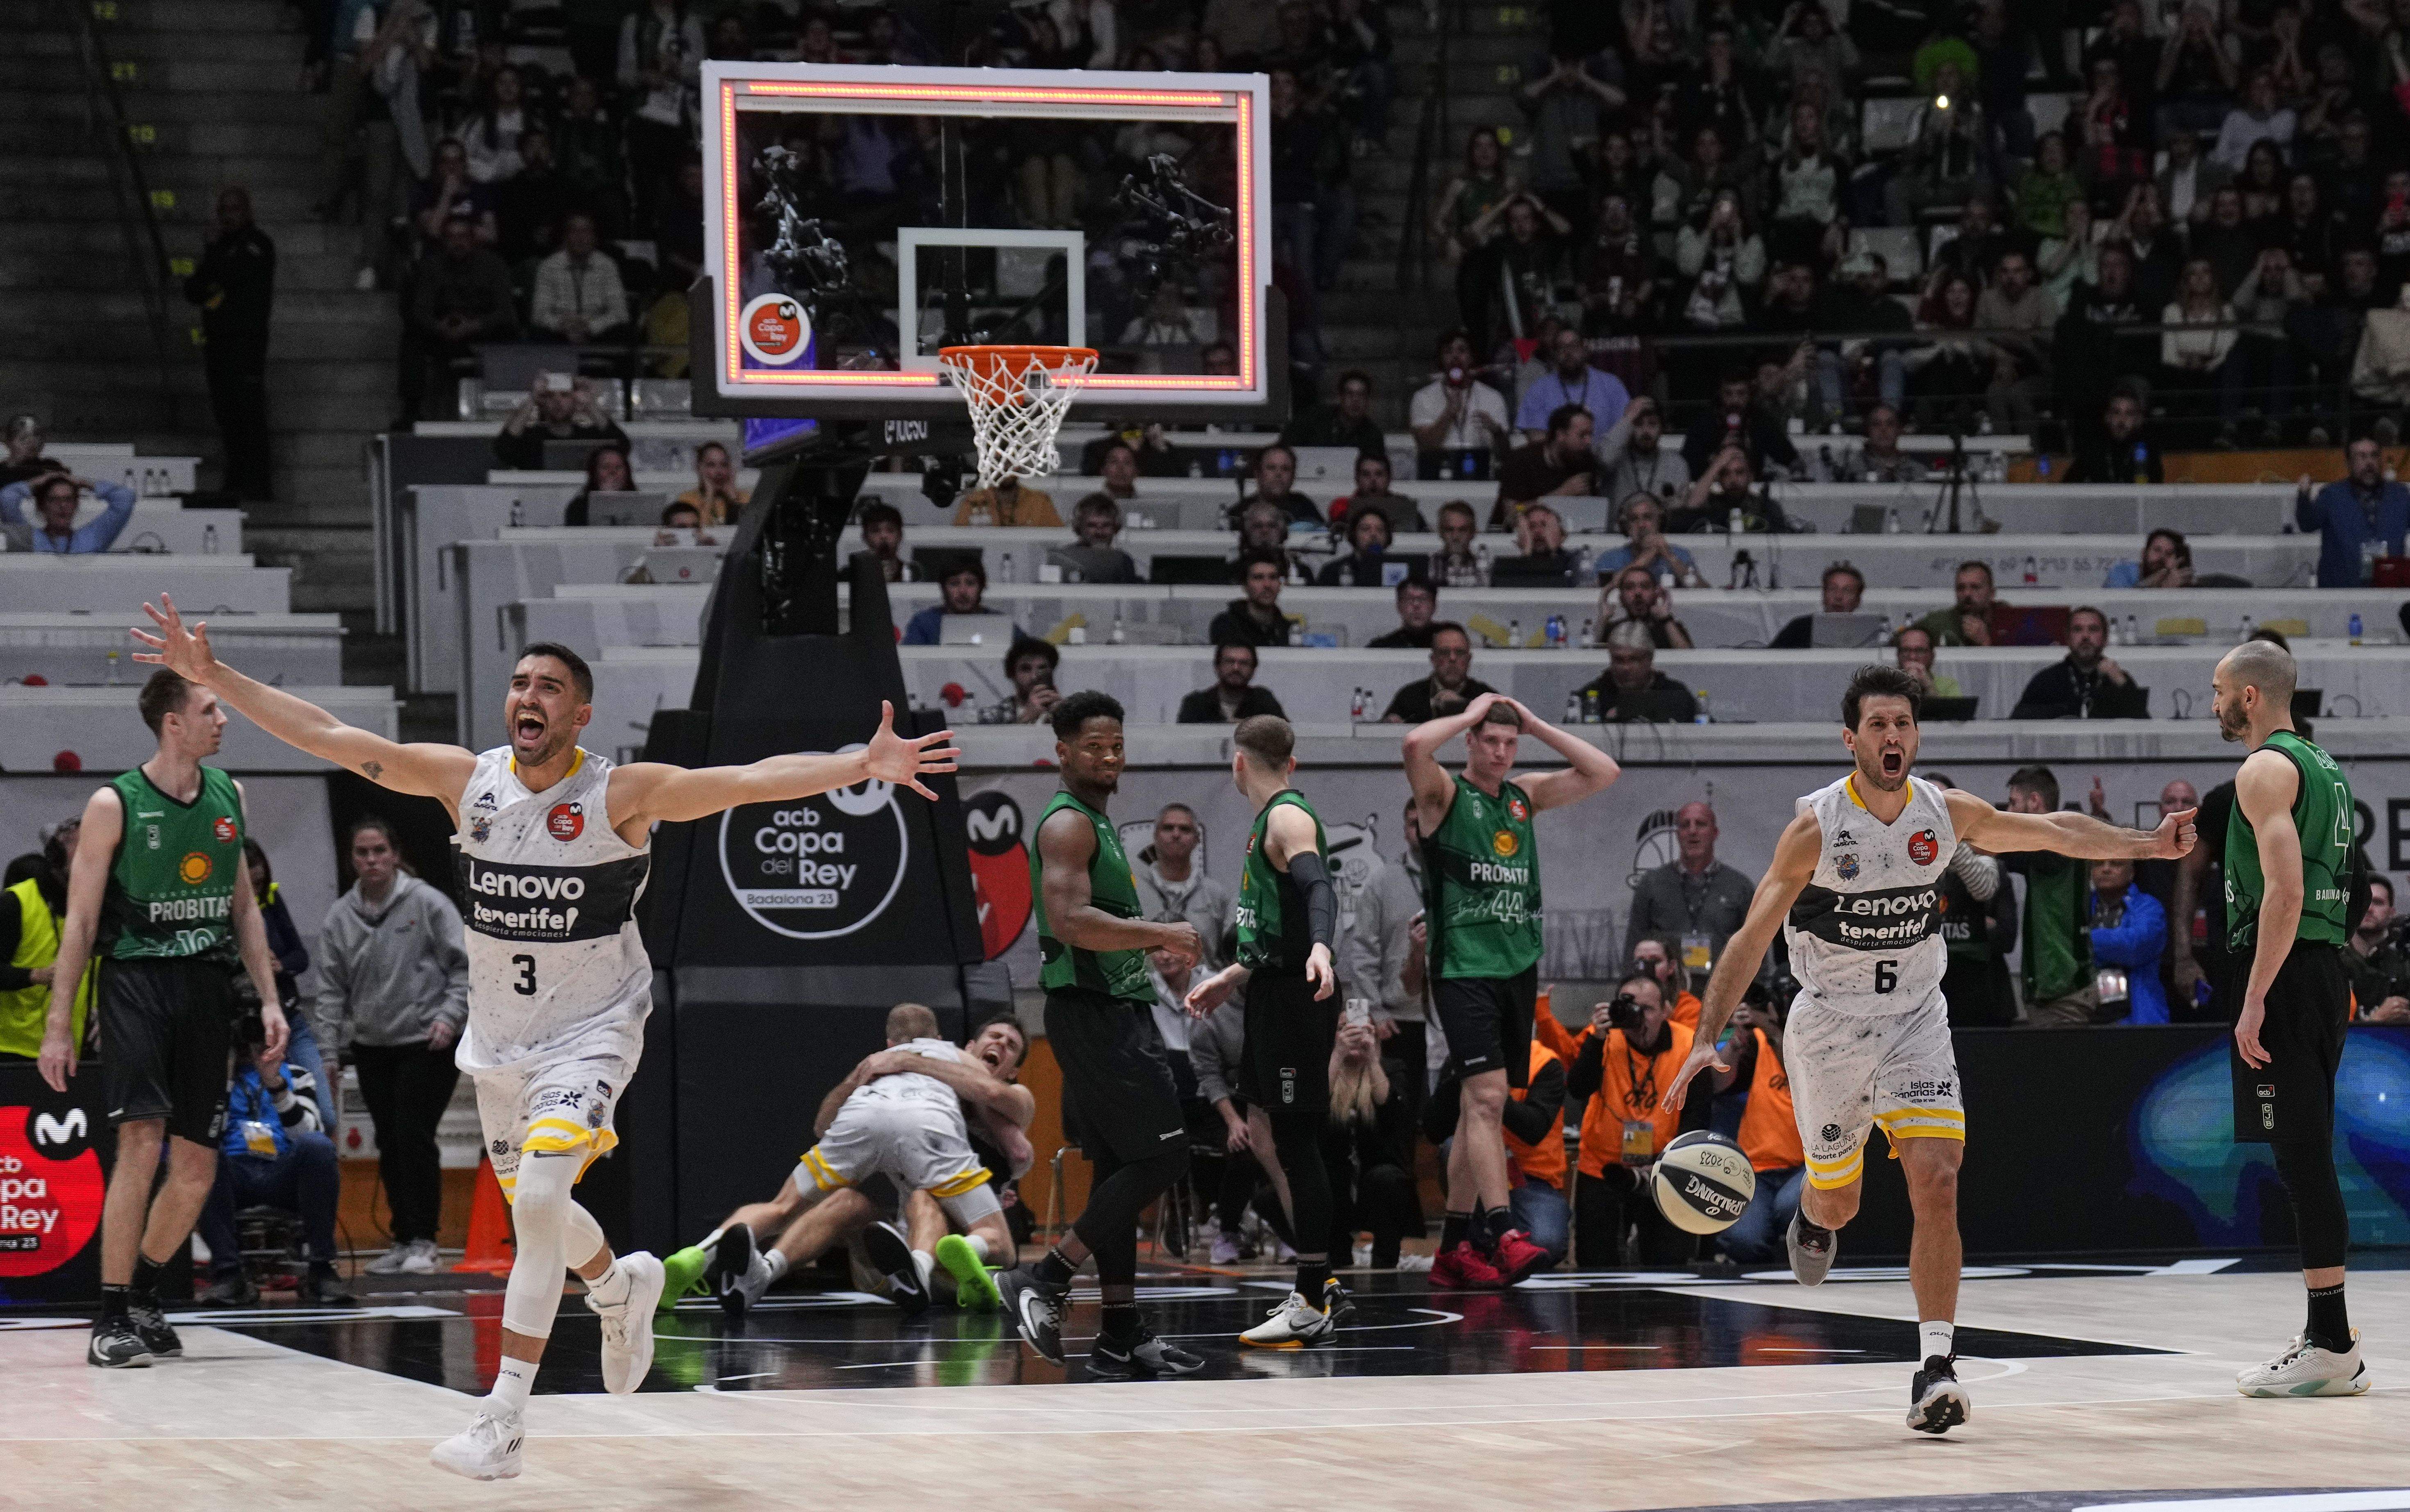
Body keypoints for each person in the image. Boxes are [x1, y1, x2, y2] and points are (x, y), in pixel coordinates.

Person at [120, 607, 958, 1471]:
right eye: (521, 683)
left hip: (591, 1035)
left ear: (579, 715)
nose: (529, 696)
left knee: (539, 1203)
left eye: (550, 688)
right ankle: (619, 1287)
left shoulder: (618, 796)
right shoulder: (467, 782)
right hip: (500, 1048)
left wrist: (861, 764)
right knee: (545, 1209)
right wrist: (218, 679)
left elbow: (746, 781)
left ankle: (503, 1422)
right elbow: (332, 737)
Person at [1661, 664, 2197, 1434]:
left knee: (1938, 1179)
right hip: (1830, 1030)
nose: (1892, 736)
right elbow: (1749, 937)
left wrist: (2147, 843)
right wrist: (1705, 1034)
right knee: (1839, 1200)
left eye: (1903, 724)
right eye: (1877, 725)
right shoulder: (1816, 828)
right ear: (1851, 740)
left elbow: (2053, 832)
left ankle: (1936, 1367)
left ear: (1915, 738)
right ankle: (1813, 1213)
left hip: (1915, 1018)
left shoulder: (1943, 814)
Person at [37, 668, 292, 1369]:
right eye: (210, 709)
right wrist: (59, 1024)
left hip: (207, 987)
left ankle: (146, 1292)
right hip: (136, 982)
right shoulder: (114, 803)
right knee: (141, 1144)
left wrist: (269, 998)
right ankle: (111, 1314)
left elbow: (244, 907)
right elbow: (80, 922)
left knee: (198, 1169)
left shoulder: (229, 794)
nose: (223, 719)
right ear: (173, 723)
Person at [994, 692, 1207, 1374]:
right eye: (1093, 746)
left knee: (1120, 1168)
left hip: (1115, 1009)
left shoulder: (1097, 822)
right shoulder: (1067, 825)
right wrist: (1160, 934)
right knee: (1166, 1156)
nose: (1109, 757)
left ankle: (1120, 1332)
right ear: (1062, 752)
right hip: (1094, 1013)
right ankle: (1045, 1277)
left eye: (1116, 745)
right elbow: (1069, 922)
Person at [1405, 694, 1618, 1285]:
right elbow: (1414, 744)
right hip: (1462, 967)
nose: (1500, 752)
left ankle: (1452, 1248)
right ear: (1470, 742)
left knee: (1478, 1106)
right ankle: (1503, 1231)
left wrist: (1535, 723)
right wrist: (1473, 710)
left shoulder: (1523, 796)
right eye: (1489, 741)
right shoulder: (1443, 796)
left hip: (1516, 966)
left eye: (1508, 743)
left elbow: (1604, 772)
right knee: (1486, 1100)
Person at [2216, 640, 2372, 1396]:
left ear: (2249, 695)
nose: (2215, 703)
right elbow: (2342, 881)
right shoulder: (2323, 767)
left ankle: (2331, 1343)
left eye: (2219, 689)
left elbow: (2284, 892)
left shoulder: (2263, 769)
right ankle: (2326, 1335)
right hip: (2320, 971)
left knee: (2301, 1157)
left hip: (2286, 970)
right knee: (2303, 1153)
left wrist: (2255, 996)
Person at [683, 1004, 1030, 1319]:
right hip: (901, 1262)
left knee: (924, 1197)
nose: (1000, 1045)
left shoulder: (1012, 1096)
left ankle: (937, 1264)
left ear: (1014, 1070)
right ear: (968, 1047)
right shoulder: (922, 1087)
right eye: (994, 1037)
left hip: (969, 1265)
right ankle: (764, 1273)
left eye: (1011, 1045)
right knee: (847, 1202)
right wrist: (870, 1074)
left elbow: (1013, 1136)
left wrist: (906, 1059)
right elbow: (822, 1126)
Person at [1182, 717, 1347, 1343]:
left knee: (1297, 1142)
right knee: (1273, 1137)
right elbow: (1278, 928)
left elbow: (1318, 888)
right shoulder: (1268, 822)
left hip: (1298, 997)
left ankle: (1312, 1296)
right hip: (1271, 991)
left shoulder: (1287, 818)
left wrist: (1323, 946)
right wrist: (1232, 975)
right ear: (1290, 762)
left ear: (1237, 763)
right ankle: (1322, 1284)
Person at [316, 816, 469, 1275]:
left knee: (412, 1134)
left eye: (380, 851)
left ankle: (425, 1240)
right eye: (362, 853)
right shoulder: (341, 916)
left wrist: (449, 1017)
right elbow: (330, 989)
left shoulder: (427, 903)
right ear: (352, 860)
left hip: (426, 1042)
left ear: (396, 855)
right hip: (371, 1045)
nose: (372, 861)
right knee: (387, 1139)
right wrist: (327, 1051)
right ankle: (403, 1239)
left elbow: (465, 966)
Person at [192, 1038, 349, 1307]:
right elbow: (205, 1134)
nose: (250, 1046)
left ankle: (322, 1269)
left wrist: (276, 1086)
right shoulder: (212, 1080)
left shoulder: (298, 1076)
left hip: (283, 1173)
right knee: (201, 1154)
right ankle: (228, 1274)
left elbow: (309, 1133)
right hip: (233, 1175)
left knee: (318, 1147)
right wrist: (223, 1082)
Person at [1566, 971, 1699, 1265]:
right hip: (1604, 1167)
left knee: (1669, 1265)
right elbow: (1577, 1089)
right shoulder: (1603, 1038)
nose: (1638, 1017)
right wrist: (1596, 1041)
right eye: (1631, 1007)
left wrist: (1671, 1163)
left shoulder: (1688, 1044)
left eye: (1648, 1009)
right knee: (1595, 1265)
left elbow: (1697, 1116)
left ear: (1667, 1011)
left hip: (1665, 1168)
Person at [183, 186, 276, 501]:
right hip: (218, 343)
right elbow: (194, 290)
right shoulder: (219, 248)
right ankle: (236, 477)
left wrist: (213, 260)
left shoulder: (258, 244)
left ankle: (258, 481)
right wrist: (213, 259)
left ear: (247, 211)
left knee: (248, 411)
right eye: (224, 210)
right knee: (226, 413)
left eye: (235, 209)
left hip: (246, 345)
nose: (228, 216)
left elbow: (230, 275)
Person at [1711, 990, 1805, 1265]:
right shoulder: (1755, 1043)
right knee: (1742, 1240)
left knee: (1787, 1207)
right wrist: (1736, 1040)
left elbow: (1800, 1077)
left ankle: (1805, 1257)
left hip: (1807, 1167)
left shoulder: (1811, 1043)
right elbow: (1718, 1084)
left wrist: (1773, 1031)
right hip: (1756, 1171)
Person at [2005, 765, 2097, 1025]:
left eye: (2014, 803)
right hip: (2055, 990)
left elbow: (1994, 846)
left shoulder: (2055, 843)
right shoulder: (2057, 841)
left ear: (2035, 801)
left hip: (2063, 992)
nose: (2008, 812)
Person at [0, 820, 93, 1060]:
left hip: (76, 1052)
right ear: (56, 857)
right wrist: (35, 976)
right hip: (14, 1052)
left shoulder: (102, 907)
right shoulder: (15, 903)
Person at [1627, 801, 1754, 971]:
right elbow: (1633, 950)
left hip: (1723, 986)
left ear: (1715, 833)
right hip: (1666, 986)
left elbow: (1755, 952)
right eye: (1685, 825)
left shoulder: (1740, 887)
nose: (1693, 831)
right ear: (1677, 834)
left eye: (1701, 824)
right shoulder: (1651, 884)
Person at [1132, 804, 1236, 974]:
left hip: (1205, 986)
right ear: (1155, 836)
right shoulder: (1135, 892)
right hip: (1147, 988)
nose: (1176, 834)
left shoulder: (1216, 895)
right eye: (1168, 828)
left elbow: (1230, 955)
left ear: (1197, 839)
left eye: (1185, 829)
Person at [2295, 440, 2410, 588]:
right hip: (2341, 591)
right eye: (2362, 457)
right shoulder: (2332, 495)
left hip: (2390, 589)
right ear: (2349, 464)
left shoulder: (2400, 495)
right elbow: (2307, 524)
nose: (2369, 463)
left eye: (2374, 456)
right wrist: (2304, 496)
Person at [2009, 607, 2150, 720]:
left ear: (2105, 638)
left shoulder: (2117, 679)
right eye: (2078, 630)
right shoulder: (2046, 680)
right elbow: (2018, 719)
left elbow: (2144, 725)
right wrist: (2068, 709)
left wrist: (2121, 682)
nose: (2086, 636)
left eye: (2093, 630)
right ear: (2068, 638)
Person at [1409, 331, 1512, 472]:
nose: (1455, 357)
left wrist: (1496, 431)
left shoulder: (1493, 397)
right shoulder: (1423, 397)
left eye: (1462, 351)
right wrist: (1449, 414)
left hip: (1481, 474)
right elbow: (1426, 446)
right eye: (1448, 352)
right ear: (1441, 359)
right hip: (1438, 475)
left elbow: (1506, 452)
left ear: (1471, 358)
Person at [529, 211, 632, 346]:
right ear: (566, 237)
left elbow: (621, 313)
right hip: (561, 332)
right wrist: (561, 325)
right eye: (575, 231)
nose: (581, 238)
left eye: (586, 231)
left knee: (623, 332)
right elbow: (539, 314)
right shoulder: (549, 266)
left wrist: (591, 327)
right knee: (538, 332)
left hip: (597, 331)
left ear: (595, 238)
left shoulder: (607, 265)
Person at [2087, 857, 2169, 1024]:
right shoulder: (2080, 905)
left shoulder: (2149, 906)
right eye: (2098, 864)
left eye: (2116, 864)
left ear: (2132, 873)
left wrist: (2085, 940)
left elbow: (2135, 946)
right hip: (2087, 1012)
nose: (2106, 869)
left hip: (2139, 1016)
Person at [492, 373, 628, 471]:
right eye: (550, 396)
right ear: (543, 402)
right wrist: (532, 399)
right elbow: (503, 449)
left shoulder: (589, 437)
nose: (558, 401)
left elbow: (622, 446)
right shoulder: (531, 439)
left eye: (565, 395)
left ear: (575, 400)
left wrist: (590, 405)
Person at [1516, 325, 1629, 438]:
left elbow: (1626, 427)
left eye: (1574, 346)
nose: (1568, 352)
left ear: (1585, 350)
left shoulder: (1611, 384)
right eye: (1562, 348)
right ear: (1555, 354)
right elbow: (1535, 435)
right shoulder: (1539, 389)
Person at [1493, 404, 1596, 524]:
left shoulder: (1585, 462)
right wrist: (1560, 495)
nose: (1588, 442)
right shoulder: (1521, 461)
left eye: (1590, 435)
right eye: (1582, 435)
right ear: (1560, 435)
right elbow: (1513, 511)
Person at [0, 472, 138, 554]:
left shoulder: (91, 539)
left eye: (68, 499)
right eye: (54, 500)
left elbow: (125, 498)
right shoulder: (27, 539)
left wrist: (83, 482)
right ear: (42, 506)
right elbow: (7, 497)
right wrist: (43, 480)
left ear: (76, 505)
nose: (62, 506)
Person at [1381, 622, 1493, 723]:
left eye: (1460, 652)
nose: (1453, 658)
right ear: (1433, 659)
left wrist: (1463, 706)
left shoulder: (1485, 696)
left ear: (1469, 659)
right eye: (1444, 652)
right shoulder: (1410, 696)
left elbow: (1501, 722)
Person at [1594, 398, 1694, 506]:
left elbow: (1679, 510)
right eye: (1639, 424)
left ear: (1661, 428)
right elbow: (1604, 459)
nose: (1646, 431)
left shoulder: (1676, 465)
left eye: (1652, 424)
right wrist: (1629, 418)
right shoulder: (1616, 460)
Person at [1590, 493, 1704, 586]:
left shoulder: (1680, 554)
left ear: (1659, 521)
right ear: (1626, 526)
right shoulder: (1610, 558)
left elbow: (1703, 590)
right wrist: (1645, 558)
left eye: (1648, 518)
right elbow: (1601, 591)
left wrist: (1669, 556)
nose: (1641, 525)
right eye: (1634, 519)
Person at [1576, 641, 1697, 723]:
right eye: (1619, 660)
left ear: (1650, 660)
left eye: (1634, 660)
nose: (1626, 668)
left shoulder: (1676, 694)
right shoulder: (1592, 695)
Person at [2063, 388, 2166, 484]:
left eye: (2129, 414)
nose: (2122, 420)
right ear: (2108, 417)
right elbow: (2068, 485)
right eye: (2116, 412)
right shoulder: (2093, 449)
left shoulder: (2148, 451)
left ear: (2138, 419)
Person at [2346, 876, 2410, 1024]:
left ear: (2392, 913)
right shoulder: (2334, 961)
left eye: (2378, 902)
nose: (2369, 909)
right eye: (2363, 901)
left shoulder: (2403, 963)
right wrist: (2377, 1021)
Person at [1282, 368, 1388, 457]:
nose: (1355, 400)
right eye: (1350, 394)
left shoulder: (1373, 436)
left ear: (1368, 400)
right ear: (1340, 397)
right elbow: (1284, 448)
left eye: (1361, 395)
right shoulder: (1313, 420)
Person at [1178, 643, 1286, 724]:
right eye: (1230, 662)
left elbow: (1285, 734)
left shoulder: (1264, 701)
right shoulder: (1196, 704)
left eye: (1244, 663)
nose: (1236, 668)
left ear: (1254, 669)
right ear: (1217, 667)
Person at [1209, 550, 1294, 649]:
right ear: (1245, 585)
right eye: (1258, 578)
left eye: (1273, 577)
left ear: (1280, 585)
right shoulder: (1226, 625)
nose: (1267, 585)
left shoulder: (1287, 628)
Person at [1770, 564, 1866, 649]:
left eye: (1847, 591)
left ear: (1858, 600)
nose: (1839, 597)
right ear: (1824, 595)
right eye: (1832, 589)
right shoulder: (1799, 629)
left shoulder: (1867, 631)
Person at [901, 560, 992, 646]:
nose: (963, 591)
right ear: (943, 588)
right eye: (954, 584)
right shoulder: (924, 623)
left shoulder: (996, 622)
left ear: (982, 587)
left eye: (970, 583)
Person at [1913, 561, 1999, 648]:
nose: (1967, 594)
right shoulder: (1939, 622)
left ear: (1992, 593)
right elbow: (1906, 637)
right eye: (1961, 588)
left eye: (1975, 587)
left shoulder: (2005, 620)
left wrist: (1985, 641)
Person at [1061, 495, 1141, 584]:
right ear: (1079, 528)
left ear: (1116, 528)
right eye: (1092, 526)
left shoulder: (1123, 561)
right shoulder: (1063, 559)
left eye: (1106, 525)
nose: (1099, 532)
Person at [1241, 444, 1324, 527]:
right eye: (1272, 468)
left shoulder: (1305, 507)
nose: (1279, 474)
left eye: (1286, 469)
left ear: (1293, 476)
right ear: (1258, 474)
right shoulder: (1242, 511)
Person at [1339, 454, 1423, 534]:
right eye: (1366, 475)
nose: (1373, 480)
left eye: (1379, 474)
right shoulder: (1343, 509)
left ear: (1389, 478)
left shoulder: (1406, 507)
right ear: (1357, 479)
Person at [672, 441, 749, 527]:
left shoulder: (745, 498)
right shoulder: (687, 500)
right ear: (700, 469)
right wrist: (709, 496)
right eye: (711, 465)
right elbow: (698, 531)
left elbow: (749, 529)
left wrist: (733, 498)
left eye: (724, 465)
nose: (719, 471)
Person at [1317, 509, 1400, 586]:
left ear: (1388, 537)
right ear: (1354, 535)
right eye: (1366, 529)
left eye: (1380, 530)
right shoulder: (1333, 572)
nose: (1374, 534)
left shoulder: (1399, 568)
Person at [996, 638, 1062, 726]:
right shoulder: (993, 716)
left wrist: (1067, 719)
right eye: (1026, 669)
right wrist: (1025, 719)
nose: (1034, 677)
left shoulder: (1067, 711)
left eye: (1042, 669)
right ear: (1012, 674)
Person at [952, 475, 1060, 528]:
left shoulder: (1039, 501)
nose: (1004, 468)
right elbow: (959, 544)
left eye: (1009, 462)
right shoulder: (973, 501)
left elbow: (1058, 543)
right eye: (998, 460)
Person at [2105, 528, 2194, 589]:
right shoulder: (2122, 572)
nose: (2162, 557)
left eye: (2169, 553)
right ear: (2144, 553)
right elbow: (2121, 602)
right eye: (2157, 550)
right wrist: (2163, 590)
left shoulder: (2176, 578)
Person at [1893, 625, 1963, 699]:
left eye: (1920, 651)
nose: (1913, 657)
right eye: (1906, 650)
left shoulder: (1948, 685)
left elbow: (1953, 708)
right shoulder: (1886, 683)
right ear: (1898, 655)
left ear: (1932, 656)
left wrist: (1929, 687)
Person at [1428, 499, 1486, 588]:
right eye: (1449, 530)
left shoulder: (1485, 566)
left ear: (1473, 533)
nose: (1455, 537)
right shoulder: (1428, 566)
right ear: (1441, 533)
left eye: (1463, 530)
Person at [1368, 579, 1439, 649]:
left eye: (1423, 599)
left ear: (1434, 605)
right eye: (1409, 599)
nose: (1416, 605)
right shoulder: (1382, 648)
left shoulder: (1445, 644)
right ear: (1399, 606)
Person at [857, 501, 916, 583]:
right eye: (876, 531)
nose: (884, 536)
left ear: (900, 535)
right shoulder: (851, 575)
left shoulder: (914, 575)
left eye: (890, 530)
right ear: (865, 536)